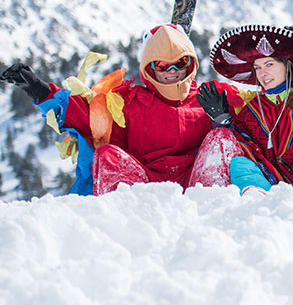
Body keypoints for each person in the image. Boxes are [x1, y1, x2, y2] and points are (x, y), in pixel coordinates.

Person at [1, 23, 244, 195]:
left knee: (221, 137)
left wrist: (223, 119)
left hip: (200, 186)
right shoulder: (129, 100)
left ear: (191, 63)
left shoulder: (212, 94)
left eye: (179, 63)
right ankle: (121, 223)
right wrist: (39, 89)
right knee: (107, 154)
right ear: (149, 69)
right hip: (145, 189)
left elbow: (260, 112)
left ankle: (217, 212)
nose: (172, 72)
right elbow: (87, 115)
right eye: (162, 65)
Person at [203, 24, 293, 199]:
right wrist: (223, 122)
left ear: (288, 65)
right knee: (237, 161)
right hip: (270, 182)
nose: (263, 73)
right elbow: (242, 146)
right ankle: (258, 199)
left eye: (269, 64)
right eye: (257, 67)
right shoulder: (253, 110)